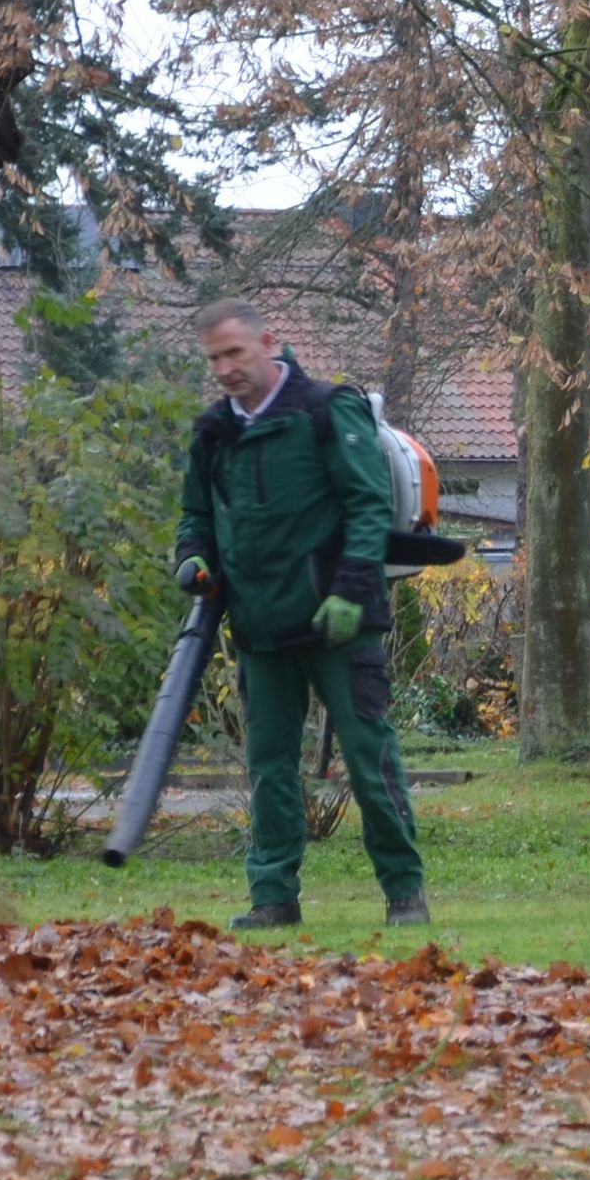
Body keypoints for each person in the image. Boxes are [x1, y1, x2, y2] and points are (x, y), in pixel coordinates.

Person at [171, 300, 429, 929]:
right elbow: (195, 518)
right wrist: (192, 559)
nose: (227, 369)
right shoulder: (213, 434)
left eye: (236, 353)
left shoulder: (325, 409)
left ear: (269, 342)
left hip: (341, 620)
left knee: (370, 759)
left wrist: (350, 588)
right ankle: (272, 899)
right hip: (259, 625)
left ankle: (404, 893)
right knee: (269, 769)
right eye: (215, 360)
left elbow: (368, 507)